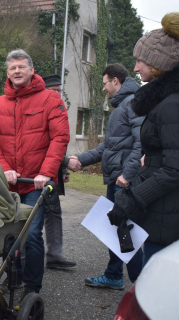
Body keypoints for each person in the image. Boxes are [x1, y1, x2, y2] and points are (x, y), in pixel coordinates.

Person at [0, 49, 70, 303]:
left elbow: (60, 137)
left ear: (32, 70)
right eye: (12, 68)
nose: (17, 71)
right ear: (7, 73)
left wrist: (46, 172)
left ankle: (32, 286)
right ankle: (12, 275)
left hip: (36, 183)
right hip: (9, 183)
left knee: (32, 233)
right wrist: (3, 167)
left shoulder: (49, 99)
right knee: (7, 233)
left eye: (21, 67)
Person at [108, 13, 179, 267]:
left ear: (159, 63)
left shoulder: (171, 105)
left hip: (166, 220)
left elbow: (174, 169)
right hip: (161, 211)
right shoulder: (163, 100)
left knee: (154, 290)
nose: (135, 68)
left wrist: (132, 198)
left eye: (140, 61)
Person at [67, 63, 144, 290]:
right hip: (115, 179)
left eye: (105, 83)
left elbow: (143, 144)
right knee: (115, 230)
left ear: (115, 82)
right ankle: (113, 275)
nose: (103, 89)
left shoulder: (132, 104)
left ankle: (143, 283)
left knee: (125, 233)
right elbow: (108, 148)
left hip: (123, 181)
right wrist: (80, 159)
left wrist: (127, 175)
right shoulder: (122, 106)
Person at [41, 74, 76, 269]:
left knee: (54, 213)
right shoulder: (40, 109)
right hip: (37, 175)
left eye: (60, 91)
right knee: (33, 219)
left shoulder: (58, 109)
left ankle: (55, 255)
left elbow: (60, 141)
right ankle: (23, 262)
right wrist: (65, 162)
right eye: (54, 91)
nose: (59, 95)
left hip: (53, 173)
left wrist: (63, 168)